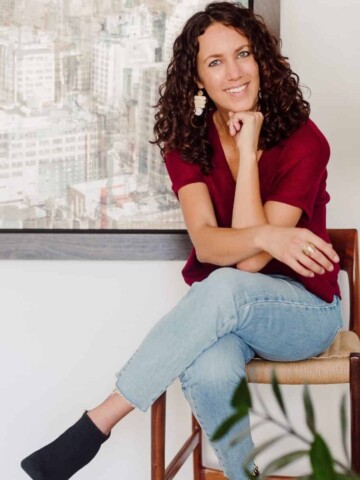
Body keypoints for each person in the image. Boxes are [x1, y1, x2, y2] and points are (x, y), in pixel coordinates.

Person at [21, 2, 343, 480]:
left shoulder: (303, 140)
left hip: (303, 313)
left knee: (225, 285)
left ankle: (97, 424)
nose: (234, 72)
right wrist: (269, 234)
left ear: (262, 62)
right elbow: (209, 246)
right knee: (206, 369)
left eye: (243, 54)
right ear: (196, 79)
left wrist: (251, 155)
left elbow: (249, 266)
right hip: (227, 312)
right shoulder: (186, 142)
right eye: (215, 63)